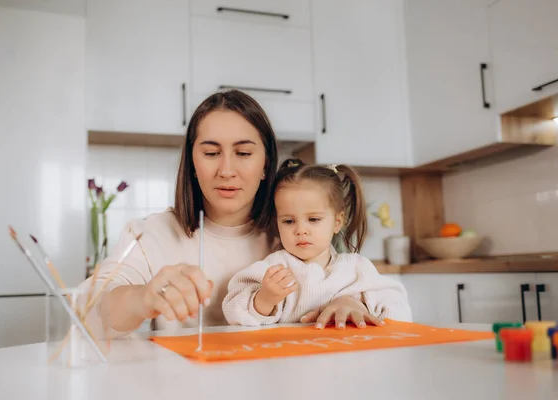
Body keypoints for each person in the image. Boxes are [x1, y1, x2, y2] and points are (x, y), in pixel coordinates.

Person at [80, 90, 387, 339]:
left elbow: (362, 292)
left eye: (243, 153)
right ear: (192, 163)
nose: (226, 170)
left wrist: (352, 301)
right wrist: (142, 298)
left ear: (266, 163)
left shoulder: (296, 232)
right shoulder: (151, 234)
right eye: (211, 153)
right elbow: (87, 311)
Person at [222, 158, 412, 328]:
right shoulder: (273, 269)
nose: (300, 230)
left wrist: (354, 303)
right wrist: (264, 299)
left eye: (313, 219)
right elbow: (232, 310)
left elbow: (400, 312)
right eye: (288, 221)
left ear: (337, 222)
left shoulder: (356, 268)